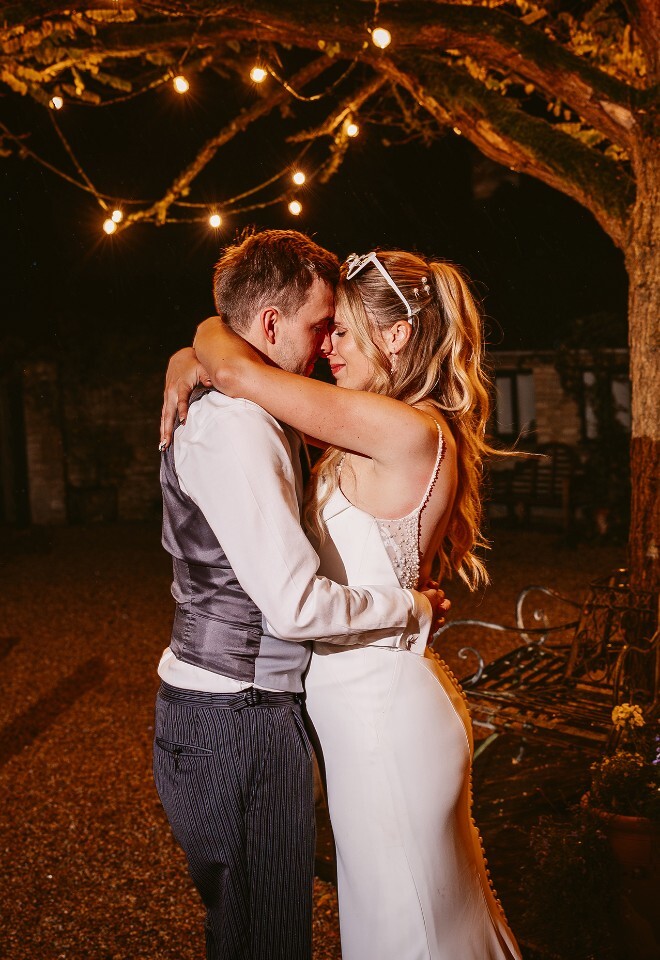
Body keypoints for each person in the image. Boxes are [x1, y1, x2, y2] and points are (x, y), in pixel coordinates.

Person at [162, 247, 522, 960]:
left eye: (344, 331)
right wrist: (190, 353)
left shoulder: (406, 430)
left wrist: (200, 342)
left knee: (410, 925)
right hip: (359, 712)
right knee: (401, 916)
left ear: (396, 336)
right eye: (325, 329)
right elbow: (234, 367)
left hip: (383, 713)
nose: (328, 346)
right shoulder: (368, 423)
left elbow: (237, 369)